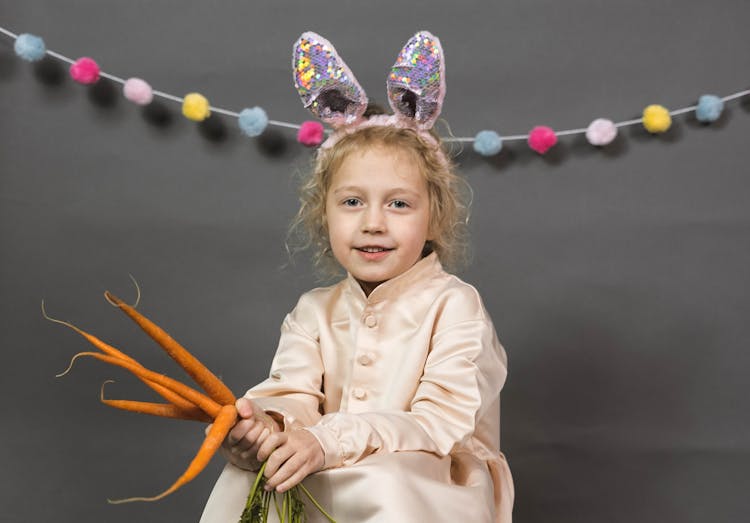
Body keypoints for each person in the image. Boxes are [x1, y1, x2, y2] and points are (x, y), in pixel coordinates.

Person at [200, 30, 514, 522]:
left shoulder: (456, 306)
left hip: (429, 480)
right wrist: (264, 430)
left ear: (433, 217)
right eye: (351, 202)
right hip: (331, 462)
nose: (373, 222)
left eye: (399, 204)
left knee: (385, 482)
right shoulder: (314, 311)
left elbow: (438, 424)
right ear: (323, 214)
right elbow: (293, 394)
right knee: (254, 473)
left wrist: (326, 441)